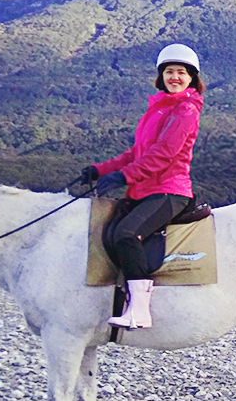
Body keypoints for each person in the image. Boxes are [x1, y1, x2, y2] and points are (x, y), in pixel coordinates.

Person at [79, 44, 205, 329]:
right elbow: (135, 152)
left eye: (181, 73)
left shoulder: (186, 109)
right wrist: (101, 170)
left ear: (191, 78)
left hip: (170, 190)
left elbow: (164, 154)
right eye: (169, 72)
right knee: (106, 230)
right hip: (145, 189)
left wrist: (124, 177)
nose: (175, 77)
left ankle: (139, 310)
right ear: (161, 77)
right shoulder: (159, 107)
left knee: (126, 234)